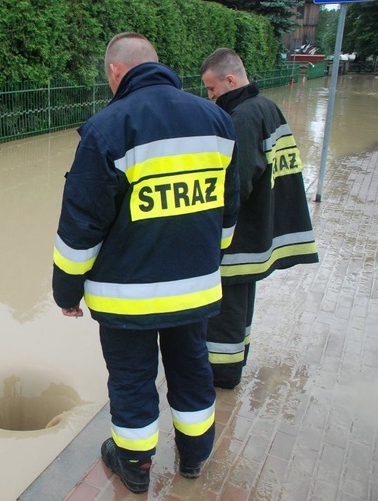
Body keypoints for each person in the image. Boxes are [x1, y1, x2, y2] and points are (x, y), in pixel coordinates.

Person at [52, 33, 240, 493]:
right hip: (196, 288)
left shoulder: (106, 128)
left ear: (116, 73)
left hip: (127, 298)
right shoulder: (216, 118)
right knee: (193, 371)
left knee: (133, 380)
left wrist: (66, 291)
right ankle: (194, 459)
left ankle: (135, 470)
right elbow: (229, 207)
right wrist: (208, 259)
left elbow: (82, 226)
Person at [199, 48, 319, 389]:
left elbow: (235, 182)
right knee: (241, 306)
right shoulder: (267, 106)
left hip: (240, 235)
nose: (210, 96)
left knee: (225, 310)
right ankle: (236, 358)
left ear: (231, 80)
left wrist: (209, 222)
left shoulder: (244, 117)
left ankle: (221, 375)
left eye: (211, 89)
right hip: (260, 229)